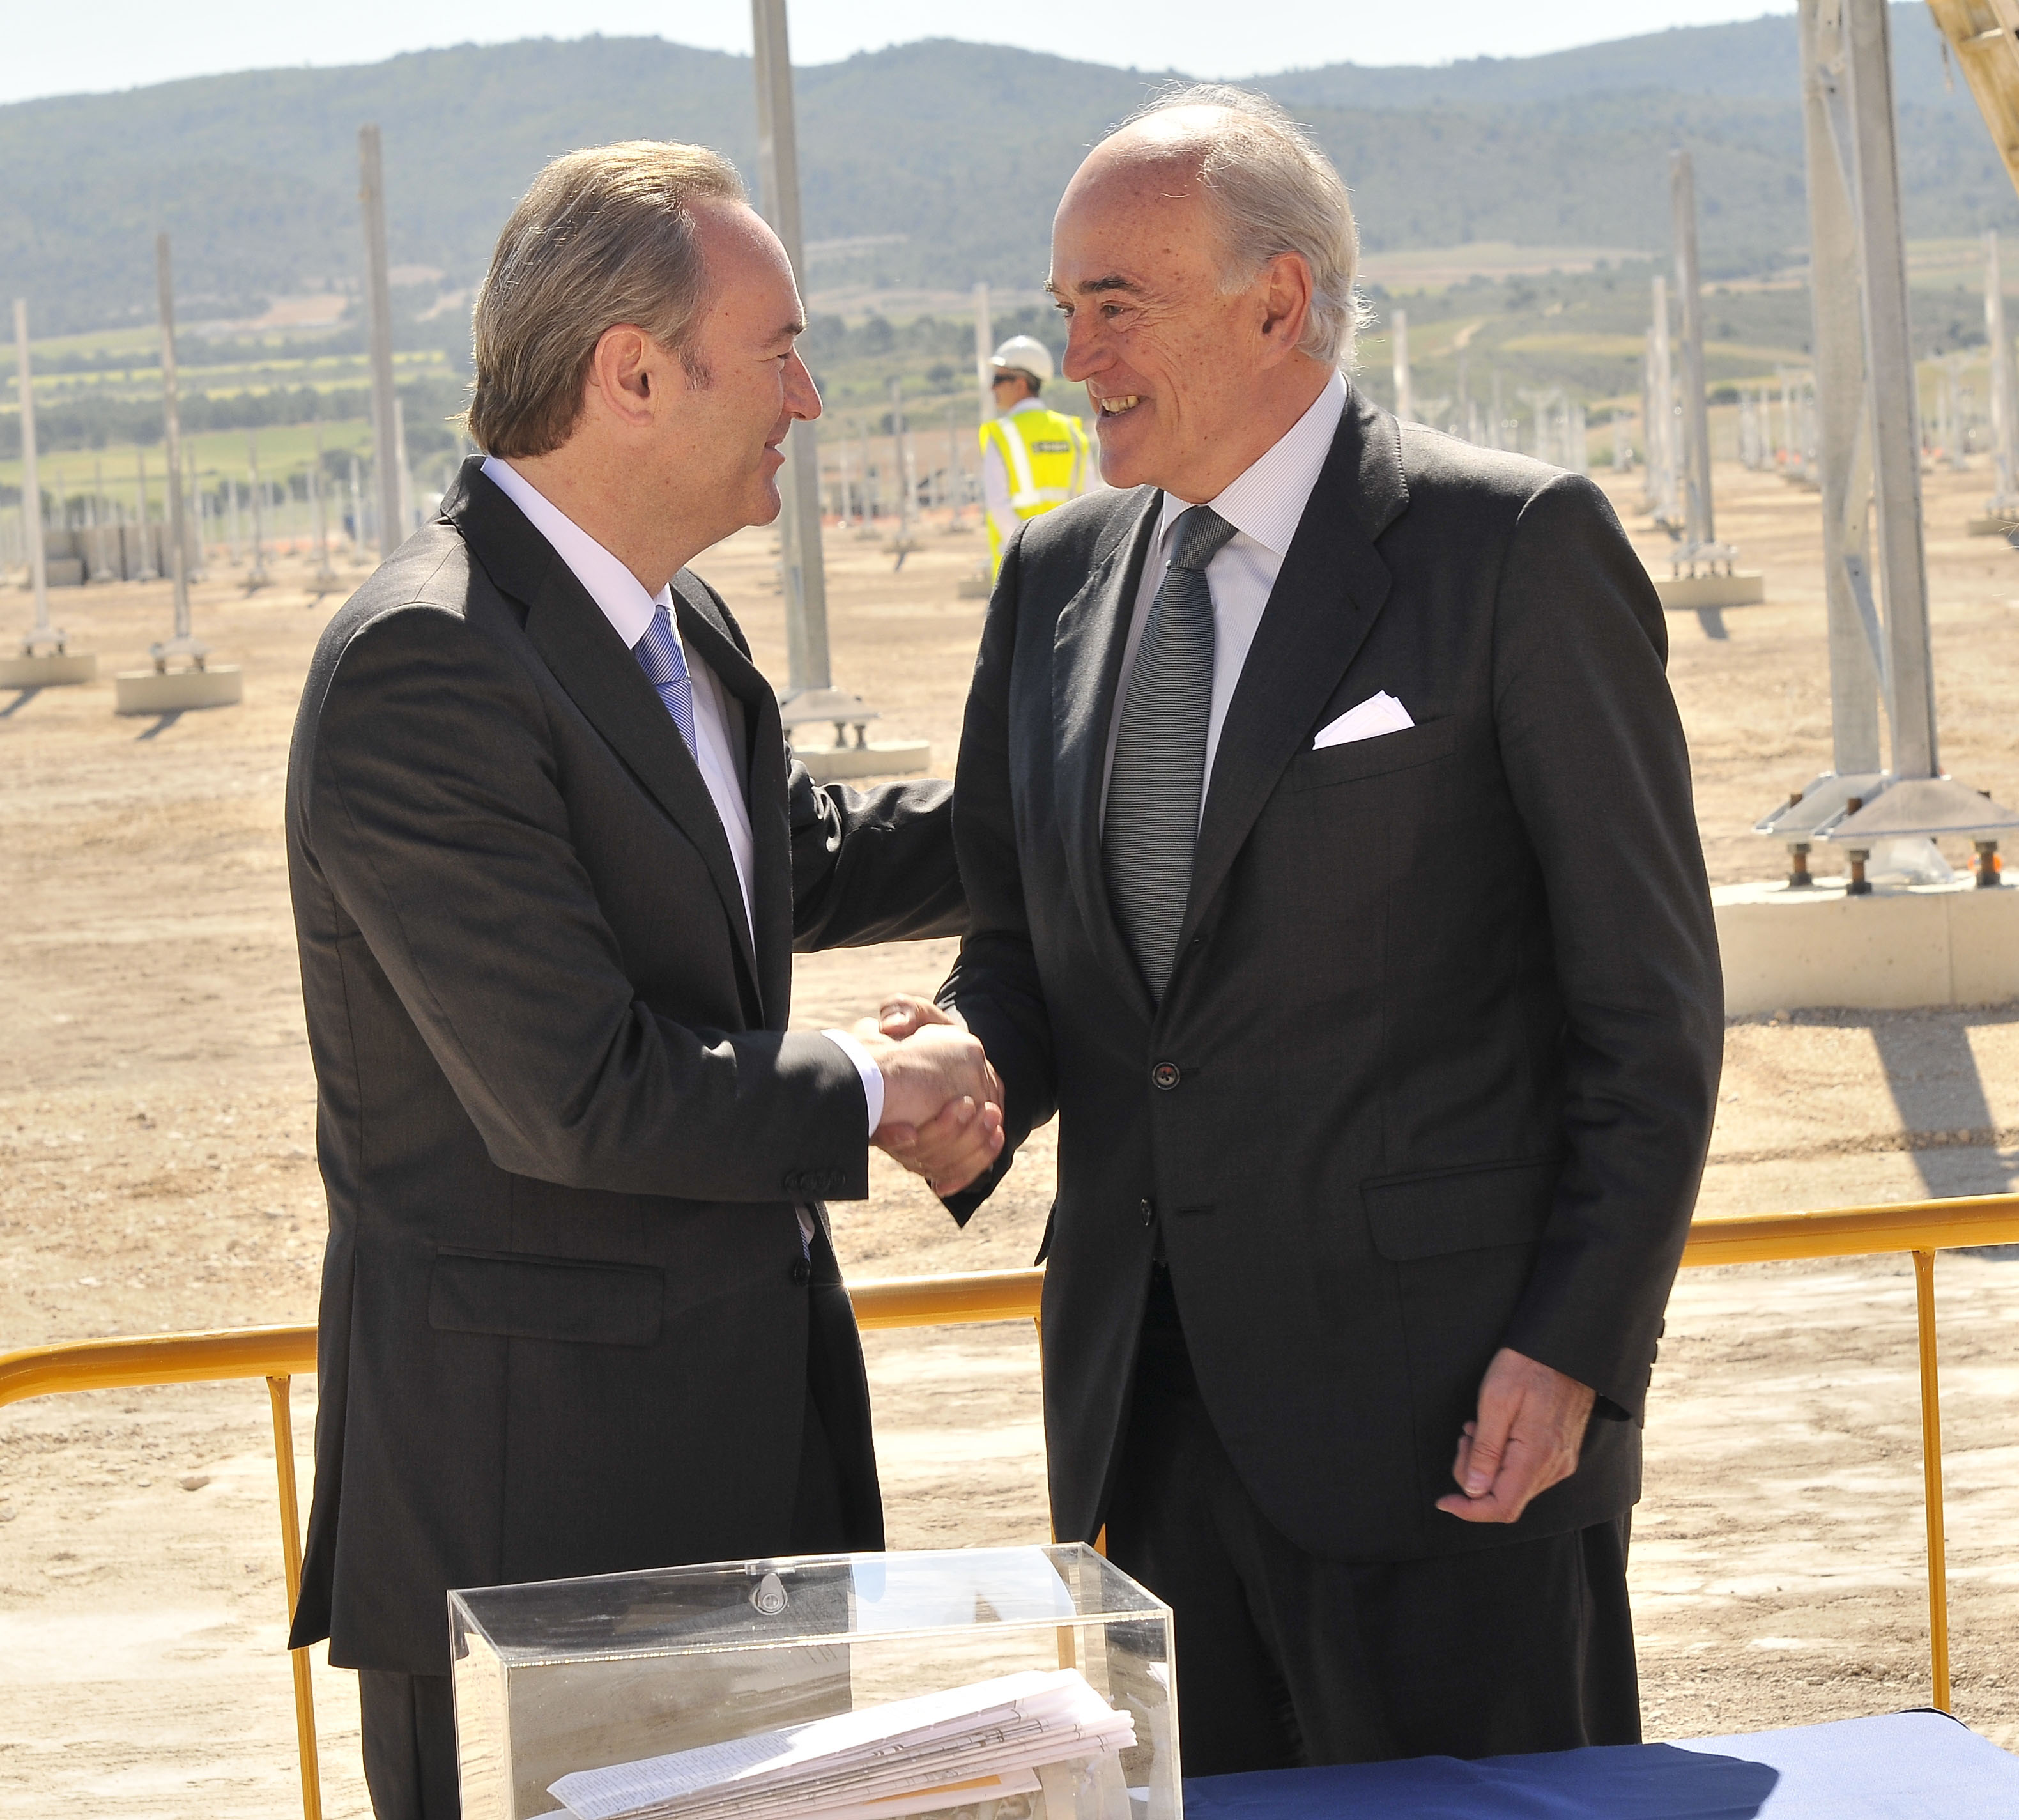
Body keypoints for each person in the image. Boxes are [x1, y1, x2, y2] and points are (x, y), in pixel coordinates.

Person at [885, 86, 1722, 1772]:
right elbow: (1034, 947)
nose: (1077, 349)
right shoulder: (1055, 577)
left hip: (1458, 1437)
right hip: (1150, 1431)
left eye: (1116, 303)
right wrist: (968, 1057)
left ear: (1280, 301)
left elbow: (1649, 1006)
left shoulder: (1513, 548)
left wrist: (1573, 1348)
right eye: (1064, 308)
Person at [283, 141, 1003, 1819]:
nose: (809, 398)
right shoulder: (427, 663)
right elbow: (577, 1093)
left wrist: (1075, 807)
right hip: (534, 1542)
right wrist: (883, 1085)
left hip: (737, 1478)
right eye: (779, 351)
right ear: (631, 374)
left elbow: (779, 864)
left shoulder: (680, 631)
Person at [979, 334, 1091, 578]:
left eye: (999, 379)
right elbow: (1091, 498)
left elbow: (999, 505)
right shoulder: (1071, 432)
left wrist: (1032, 552)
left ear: (1021, 384)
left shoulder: (1001, 434)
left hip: (1020, 568)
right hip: (1071, 564)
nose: (992, 387)